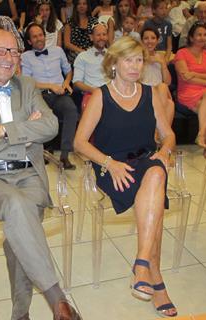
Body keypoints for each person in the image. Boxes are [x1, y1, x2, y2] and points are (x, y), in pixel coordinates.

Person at [0, 28, 81, 320]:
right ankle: (58, 301)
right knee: (18, 207)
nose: (9, 58)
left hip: (29, 174)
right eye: (1, 51)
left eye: (14, 51)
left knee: (18, 234)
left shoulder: (27, 84)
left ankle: (19, 315)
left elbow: (50, 127)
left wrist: (4, 130)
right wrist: (25, 131)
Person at [74, 35, 177, 318]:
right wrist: (110, 163)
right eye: (128, 60)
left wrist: (165, 150)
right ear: (114, 63)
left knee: (156, 172)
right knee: (155, 181)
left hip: (146, 161)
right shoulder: (100, 95)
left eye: (139, 60)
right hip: (112, 167)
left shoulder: (149, 93)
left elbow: (168, 134)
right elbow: (80, 143)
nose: (134, 66)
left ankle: (143, 263)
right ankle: (151, 271)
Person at [21, 23, 78, 169]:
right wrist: (50, 86)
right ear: (29, 41)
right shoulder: (25, 57)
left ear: (45, 36)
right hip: (40, 95)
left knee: (71, 109)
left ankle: (64, 155)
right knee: (40, 113)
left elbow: (68, 70)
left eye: (40, 35)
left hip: (60, 94)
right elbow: (28, 82)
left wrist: (66, 83)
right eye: (34, 36)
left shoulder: (58, 51)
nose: (39, 38)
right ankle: (42, 151)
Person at [174, 22, 206, 150]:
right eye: (199, 35)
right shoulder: (182, 53)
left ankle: (202, 135)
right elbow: (185, 78)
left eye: (204, 35)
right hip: (188, 91)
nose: (202, 37)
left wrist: (193, 73)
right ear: (191, 37)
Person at [140, 27, 174, 125]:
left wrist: (162, 63)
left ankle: (158, 135)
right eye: (146, 38)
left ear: (158, 40)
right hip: (144, 91)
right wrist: (144, 60)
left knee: (171, 104)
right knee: (163, 88)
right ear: (141, 40)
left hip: (159, 93)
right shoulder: (137, 57)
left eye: (153, 38)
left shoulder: (161, 57)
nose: (149, 41)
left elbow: (168, 82)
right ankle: (158, 129)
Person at [73, 23, 109, 111]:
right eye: (98, 35)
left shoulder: (112, 55)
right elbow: (76, 82)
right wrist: (94, 91)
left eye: (104, 34)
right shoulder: (82, 56)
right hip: (91, 94)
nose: (101, 37)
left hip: (110, 94)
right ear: (91, 37)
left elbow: (115, 76)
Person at [64, 0, 98, 64]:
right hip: (75, 53)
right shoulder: (69, 22)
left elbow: (98, 39)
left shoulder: (94, 21)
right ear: (76, 7)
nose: (81, 6)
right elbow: (67, 44)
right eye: (79, 4)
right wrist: (82, 51)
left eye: (84, 4)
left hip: (91, 52)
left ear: (88, 6)